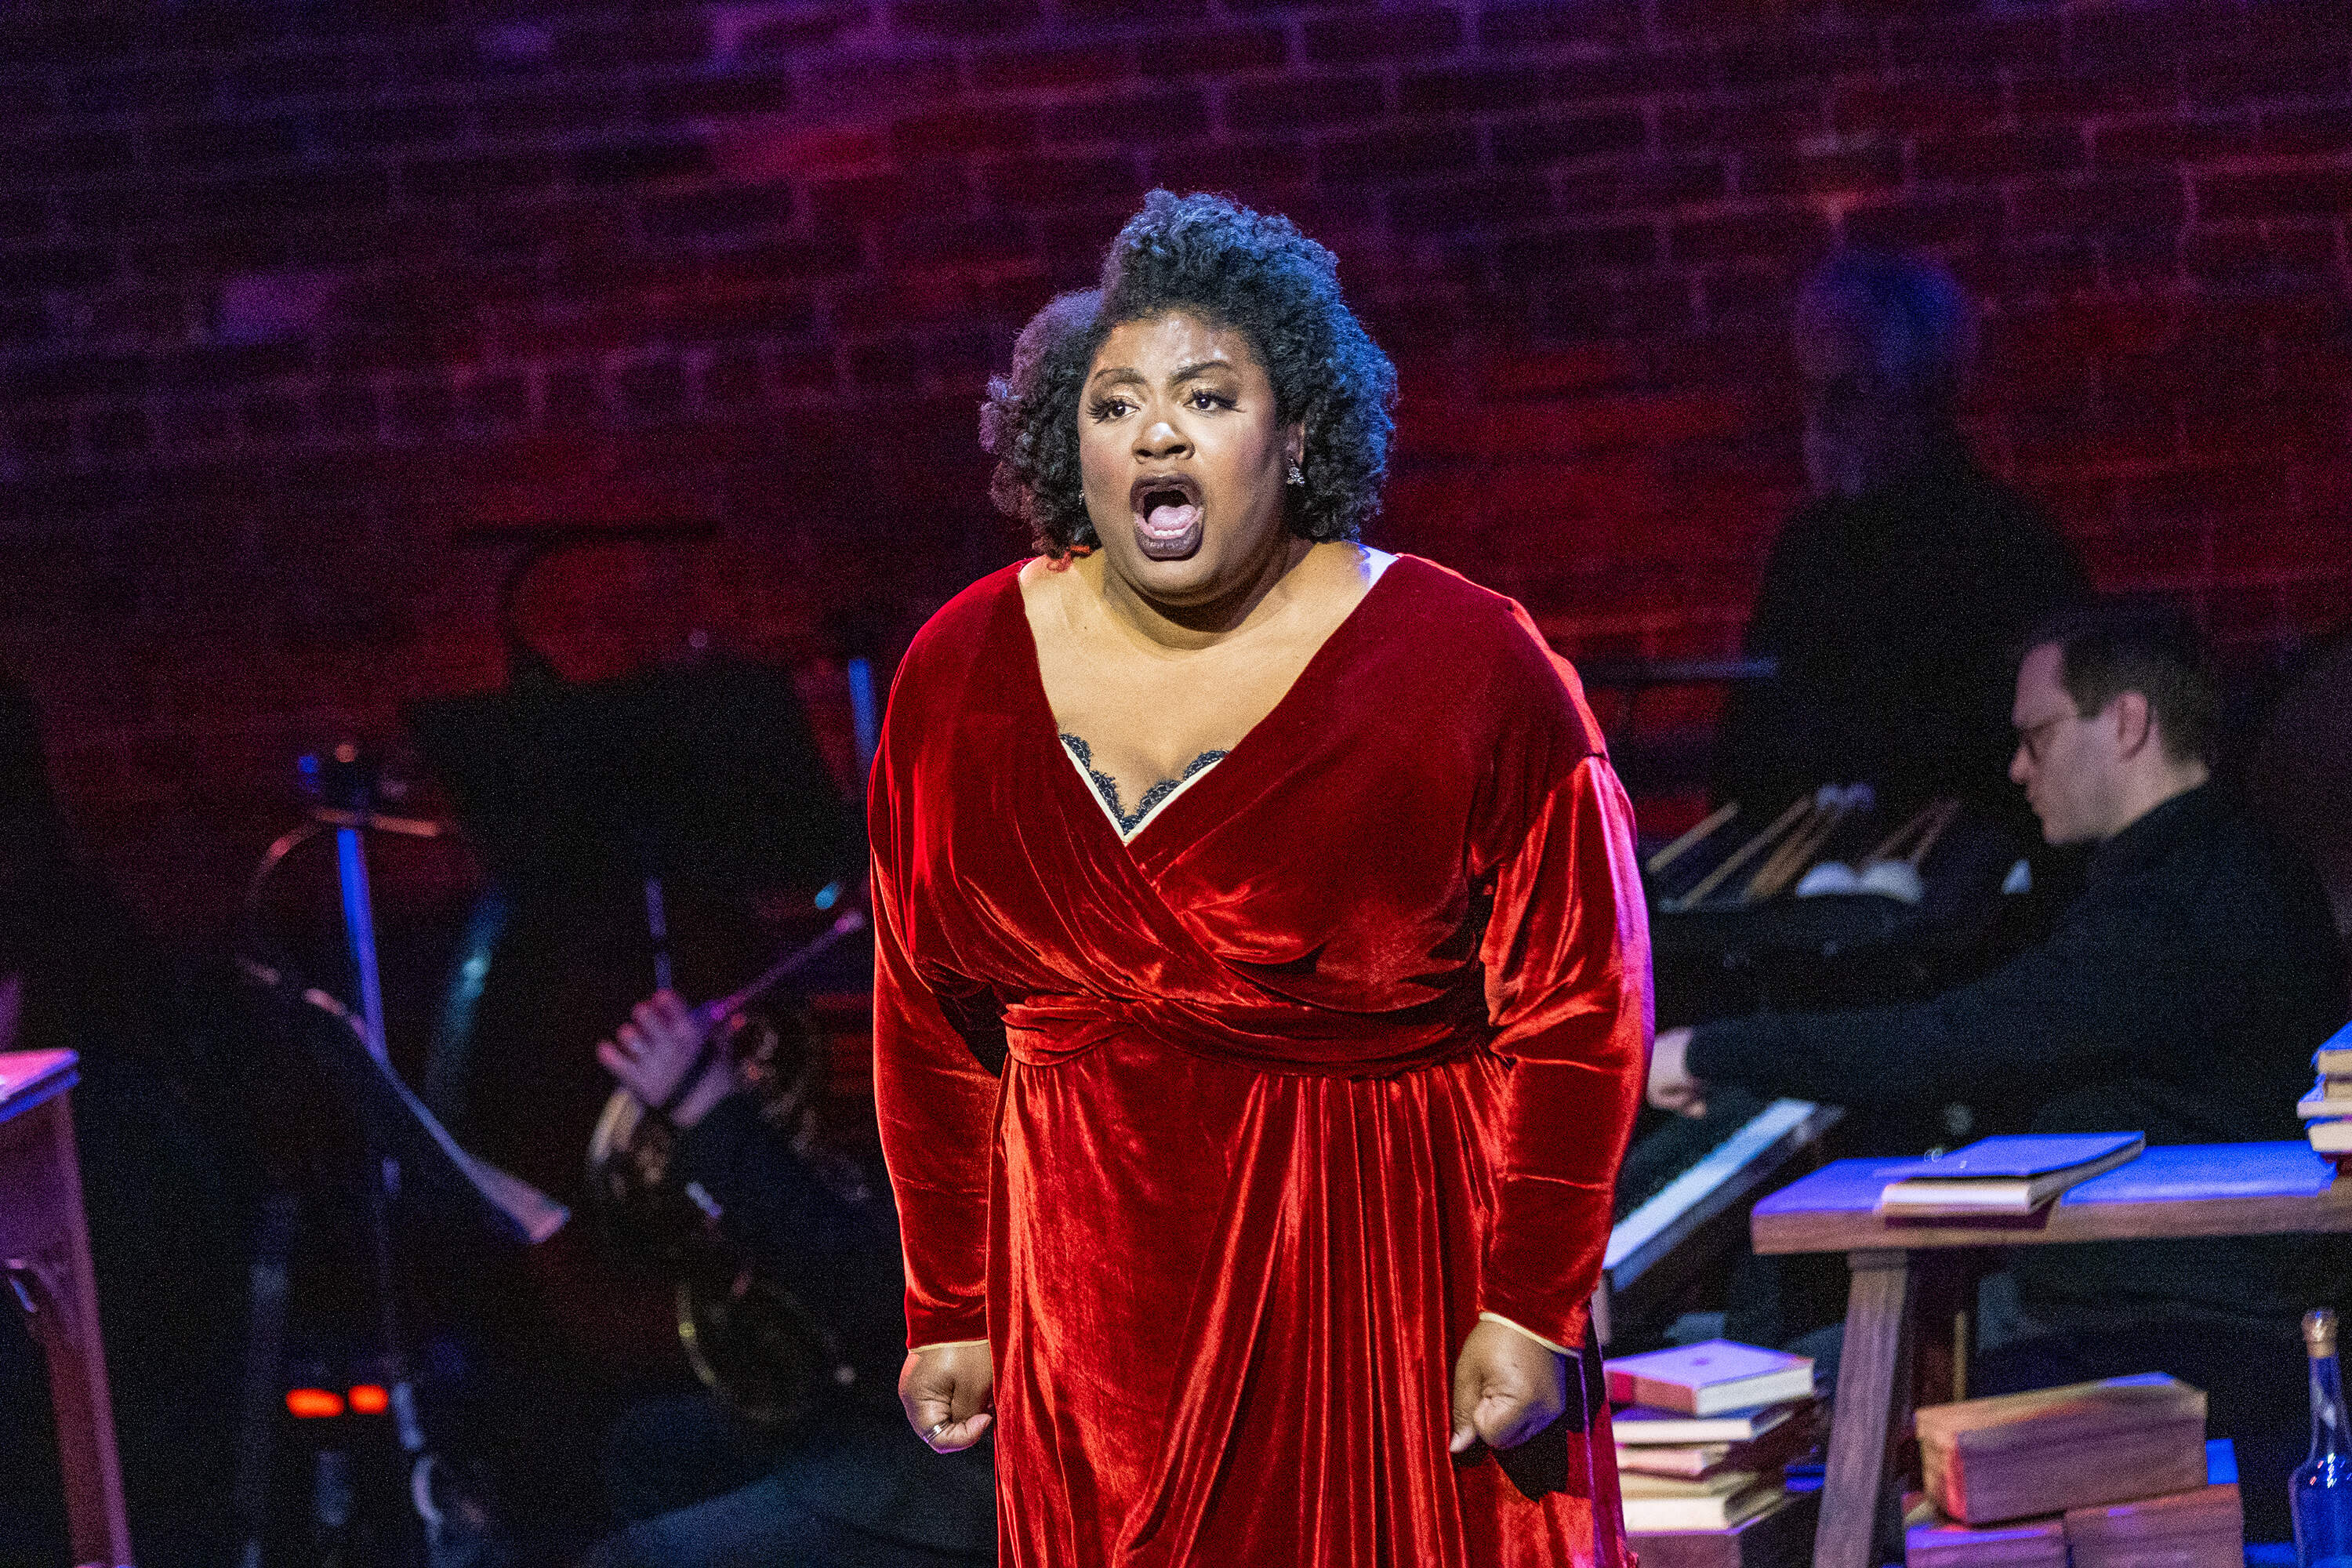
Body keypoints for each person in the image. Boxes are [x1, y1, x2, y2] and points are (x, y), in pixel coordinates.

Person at [869, 191, 1653, 1566]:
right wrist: (953, 1305)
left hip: (1388, 1299)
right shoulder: (958, 674)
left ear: (1295, 437)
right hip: (1097, 1351)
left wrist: (1532, 1302)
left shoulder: (1463, 664)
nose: (1156, 432)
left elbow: (1582, 1004)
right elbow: (927, 1020)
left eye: (1205, 397)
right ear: (1070, 442)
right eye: (1114, 405)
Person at [1652, 601, 2350, 1536]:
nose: (2019, 768)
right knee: (1735, 1356)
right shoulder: (2219, 863)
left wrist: (1705, 1047)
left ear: (2129, 722)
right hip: (2131, 1287)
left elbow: (1945, 1039)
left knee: (1729, 1413)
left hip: (2177, 1323)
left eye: (2036, 735)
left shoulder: (2180, 904)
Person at [580, 987, 996, 1568]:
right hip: (895, 1407)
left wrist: (705, 1107)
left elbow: (890, 1298)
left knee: (620, 1560)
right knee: (642, 1446)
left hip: (972, 1475)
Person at [1710, 249, 2089, 841]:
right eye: (1812, 391)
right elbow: (1754, 739)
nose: (1821, 421)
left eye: (1850, 391)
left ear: (1921, 397)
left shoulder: (2005, 546)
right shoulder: (1807, 548)